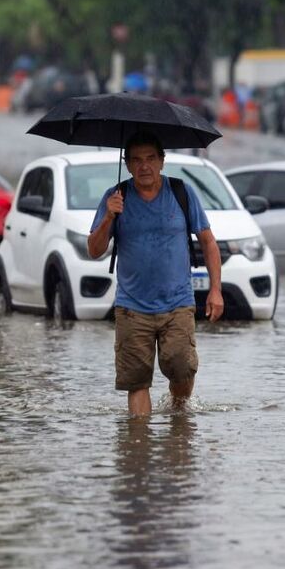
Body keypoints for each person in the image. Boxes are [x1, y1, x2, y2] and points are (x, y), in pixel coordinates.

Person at [87, 131, 224, 417]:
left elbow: (208, 241)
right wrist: (109, 216)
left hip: (177, 304)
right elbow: (94, 250)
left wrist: (215, 290)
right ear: (127, 164)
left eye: (150, 158)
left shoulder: (181, 192)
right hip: (132, 307)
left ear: (162, 161)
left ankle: (178, 414)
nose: (144, 166)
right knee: (136, 382)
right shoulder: (115, 197)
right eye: (136, 160)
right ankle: (139, 447)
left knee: (182, 369)